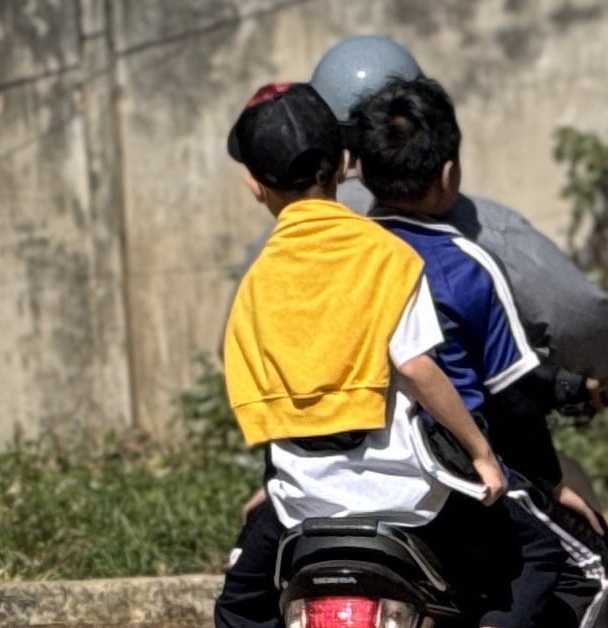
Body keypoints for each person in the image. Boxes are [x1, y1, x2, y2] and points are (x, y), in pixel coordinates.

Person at [312, 35, 608, 626]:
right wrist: (551, 481)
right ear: (447, 168)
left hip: (329, 476)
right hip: (449, 466)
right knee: (581, 561)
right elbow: (527, 377)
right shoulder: (475, 245)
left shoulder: (318, 247)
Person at [215, 81, 532, 627]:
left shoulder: (256, 284)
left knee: (239, 607)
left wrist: (271, 489)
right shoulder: (387, 257)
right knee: (523, 565)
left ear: (252, 184)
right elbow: (415, 366)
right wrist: (481, 454)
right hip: (407, 500)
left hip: (302, 507)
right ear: (343, 163)